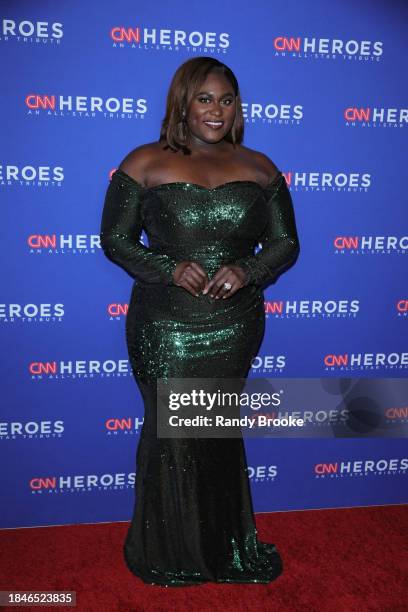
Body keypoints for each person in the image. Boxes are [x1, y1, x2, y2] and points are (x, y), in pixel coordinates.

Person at [99, 56, 300, 587]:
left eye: (226, 99)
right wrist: (167, 267)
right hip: (165, 322)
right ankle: (167, 550)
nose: (216, 109)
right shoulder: (144, 161)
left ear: (238, 106)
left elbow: (286, 243)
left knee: (213, 431)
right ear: (183, 104)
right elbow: (115, 240)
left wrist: (249, 269)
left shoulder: (261, 166)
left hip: (235, 322)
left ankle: (223, 548)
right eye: (205, 98)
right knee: (172, 433)